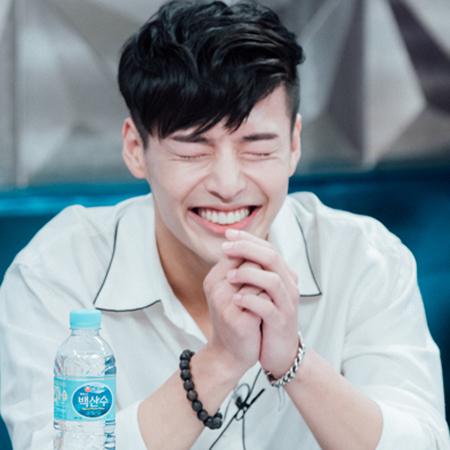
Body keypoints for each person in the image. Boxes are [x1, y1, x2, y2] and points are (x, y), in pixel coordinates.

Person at [0, 1, 449, 449]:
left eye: (258, 149)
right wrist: (218, 363)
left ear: (294, 145)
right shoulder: (57, 270)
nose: (228, 185)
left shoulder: (365, 259)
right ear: (136, 149)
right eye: (193, 152)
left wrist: (294, 361)